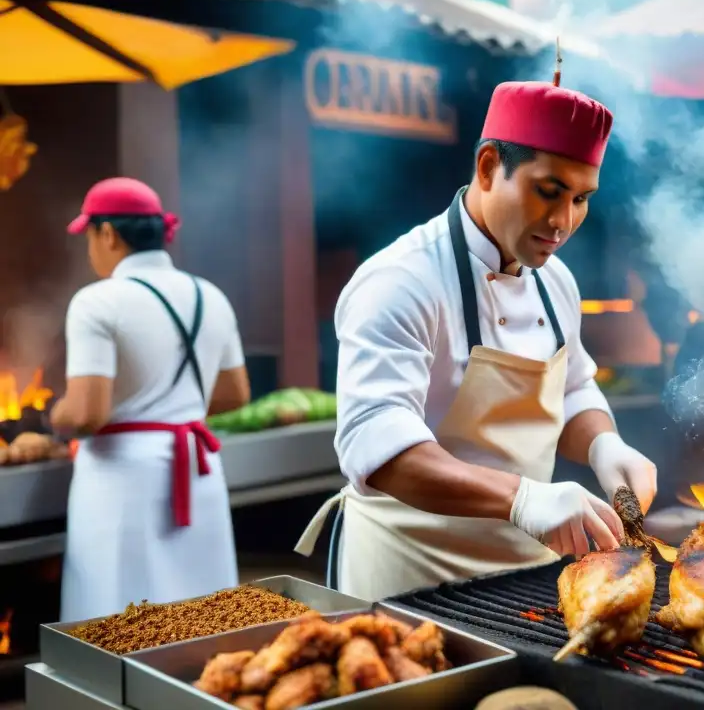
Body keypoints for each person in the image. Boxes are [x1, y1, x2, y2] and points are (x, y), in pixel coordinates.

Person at [295, 75, 658, 601]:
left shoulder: (556, 279)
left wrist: (605, 443)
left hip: (528, 576)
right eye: (548, 191)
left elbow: (574, 387)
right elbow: (379, 447)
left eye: (581, 199)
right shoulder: (401, 281)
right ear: (489, 166)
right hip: (412, 575)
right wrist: (522, 499)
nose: (563, 222)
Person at [52, 177, 251, 622]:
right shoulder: (211, 296)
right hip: (199, 470)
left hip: (122, 480)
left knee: (115, 617)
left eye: (89, 236)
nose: (89, 249)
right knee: (202, 613)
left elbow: (86, 413)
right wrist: (169, 413)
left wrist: (55, 416)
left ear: (108, 234)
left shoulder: (96, 302)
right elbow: (235, 394)